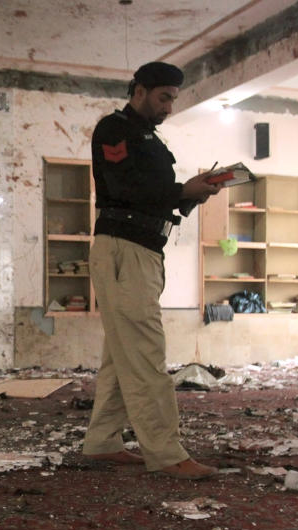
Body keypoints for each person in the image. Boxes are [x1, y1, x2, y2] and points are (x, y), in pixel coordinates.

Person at [79, 61, 222, 479]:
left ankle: (103, 442)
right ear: (138, 91)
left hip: (144, 249)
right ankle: (166, 451)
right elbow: (125, 189)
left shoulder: (150, 140)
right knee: (144, 353)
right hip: (123, 249)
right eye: (164, 97)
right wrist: (181, 191)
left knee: (122, 355)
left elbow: (157, 196)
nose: (169, 106)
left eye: (173, 99)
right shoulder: (114, 130)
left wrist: (191, 194)